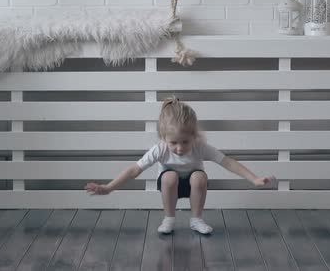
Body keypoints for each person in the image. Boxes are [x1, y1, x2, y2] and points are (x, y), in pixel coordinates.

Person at [84, 97, 275, 234]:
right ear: (163, 138)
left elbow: (228, 162)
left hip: (194, 184)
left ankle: (196, 219)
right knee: (169, 176)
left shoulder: (200, 147)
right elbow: (134, 170)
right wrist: (108, 188)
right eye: (173, 142)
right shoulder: (160, 149)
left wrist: (254, 178)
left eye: (185, 142)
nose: (179, 148)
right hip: (170, 184)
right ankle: (169, 218)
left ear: (194, 136)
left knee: (199, 176)